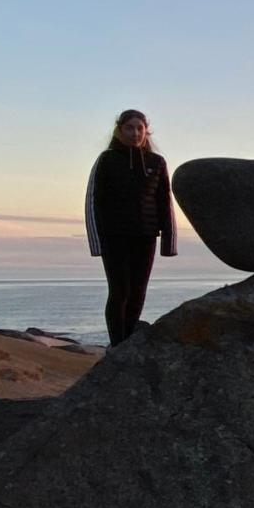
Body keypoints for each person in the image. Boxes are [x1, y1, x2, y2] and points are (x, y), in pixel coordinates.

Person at [85, 109, 177, 346]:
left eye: (139, 128)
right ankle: (117, 344)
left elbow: (165, 202)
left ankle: (127, 342)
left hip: (145, 237)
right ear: (119, 130)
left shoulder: (157, 163)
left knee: (138, 293)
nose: (135, 133)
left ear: (146, 132)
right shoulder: (107, 160)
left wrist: (169, 243)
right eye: (129, 128)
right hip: (114, 237)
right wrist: (97, 243)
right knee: (120, 292)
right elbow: (93, 201)